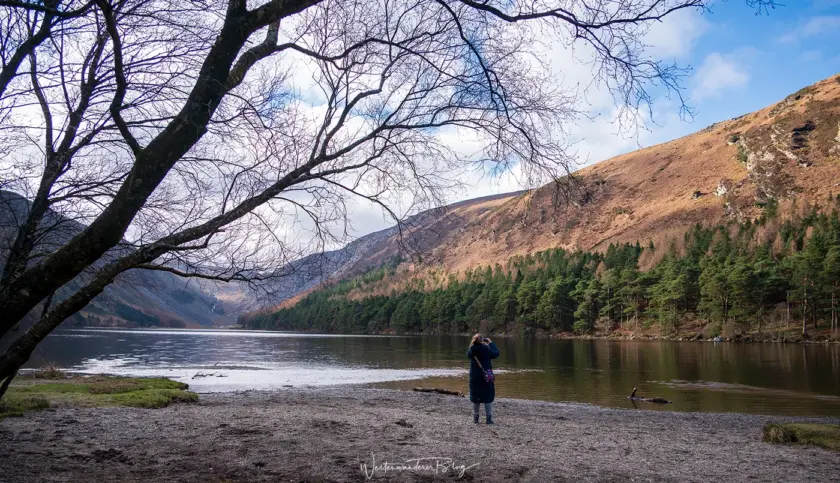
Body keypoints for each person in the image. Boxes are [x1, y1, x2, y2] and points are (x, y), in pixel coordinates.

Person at [466, 333, 499, 424]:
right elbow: (496, 353)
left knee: (475, 397)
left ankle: (476, 418)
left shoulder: (471, 350)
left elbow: (468, 355)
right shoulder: (486, 349)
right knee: (488, 396)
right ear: (482, 340)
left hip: (474, 376)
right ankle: (489, 419)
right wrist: (491, 343)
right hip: (486, 376)